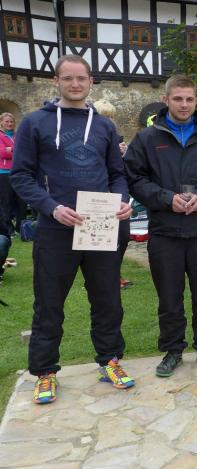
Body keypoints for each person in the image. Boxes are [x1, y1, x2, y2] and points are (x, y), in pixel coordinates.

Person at [10, 54, 134, 404]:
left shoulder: (105, 126)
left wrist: (122, 200)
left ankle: (110, 361)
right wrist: (51, 207)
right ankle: (45, 372)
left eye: (81, 78)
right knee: (49, 303)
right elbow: (21, 175)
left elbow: (117, 174)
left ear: (91, 81)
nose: (75, 84)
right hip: (56, 228)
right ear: (57, 81)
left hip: (100, 226)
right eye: (68, 78)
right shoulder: (35, 123)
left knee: (107, 299)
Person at [124, 74, 197, 377]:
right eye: (178, 99)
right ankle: (173, 351)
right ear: (166, 100)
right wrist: (166, 199)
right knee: (169, 297)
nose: (184, 105)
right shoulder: (148, 138)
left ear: (196, 101)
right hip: (165, 231)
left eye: (189, 99)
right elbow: (134, 178)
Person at [93, 99, 132, 290]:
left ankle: (115, 273)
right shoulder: (90, 138)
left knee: (122, 236)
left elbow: (122, 171)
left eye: (111, 116)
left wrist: (124, 155)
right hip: (98, 195)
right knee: (102, 239)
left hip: (117, 195)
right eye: (105, 116)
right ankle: (103, 278)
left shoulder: (117, 137)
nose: (109, 120)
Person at [0, 112, 24, 233]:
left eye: (11, 121)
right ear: (1, 123)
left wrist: (11, 149)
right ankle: (8, 229)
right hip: (4, 172)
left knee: (22, 200)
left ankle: (21, 228)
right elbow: (3, 153)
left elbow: (25, 151)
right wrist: (15, 150)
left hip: (19, 171)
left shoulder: (17, 136)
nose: (9, 124)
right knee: (7, 201)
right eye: (7, 121)